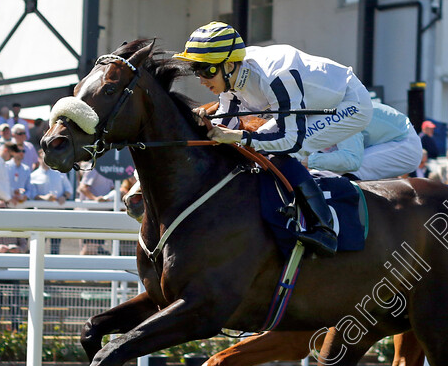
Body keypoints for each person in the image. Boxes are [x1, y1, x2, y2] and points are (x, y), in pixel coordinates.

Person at [174, 21, 373, 257]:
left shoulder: (276, 76)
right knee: (256, 145)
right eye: (196, 70)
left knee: (283, 150)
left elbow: (291, 141)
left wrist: (239, 136)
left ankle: (324, 228)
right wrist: (203, 126)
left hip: (348, 104)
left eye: (206, 71)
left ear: (228, 65)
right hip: (310, 104)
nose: (201, 80)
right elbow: (224, 126)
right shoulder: (232, 77)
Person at [305, 101, 422, 180]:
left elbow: (350, 161)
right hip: (385, 141)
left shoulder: (340, 113)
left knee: (348, 173)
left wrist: (304, 161)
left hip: (404, 145)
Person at [6, 140, 33, 205]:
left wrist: (25, 196)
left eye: (23, 151)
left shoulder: (26, 169)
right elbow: (3, 185)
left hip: (22, 203)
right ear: (13, 152)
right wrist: (12, 194)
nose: (21, 153)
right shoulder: (5, 166)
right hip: (8, 202)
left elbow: (29, 188)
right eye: (18, 151)